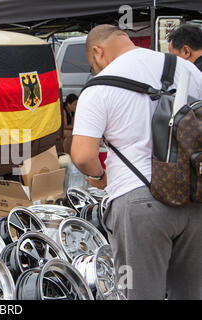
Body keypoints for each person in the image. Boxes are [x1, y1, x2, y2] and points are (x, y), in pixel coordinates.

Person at [71, 24, 202, 300]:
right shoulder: (186, 68)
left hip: (138, 200)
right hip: (194, 197)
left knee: (139, 293)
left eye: (93, 63)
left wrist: (99, 177)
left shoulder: (98, 87)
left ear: (98, 51)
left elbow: (82, 156)